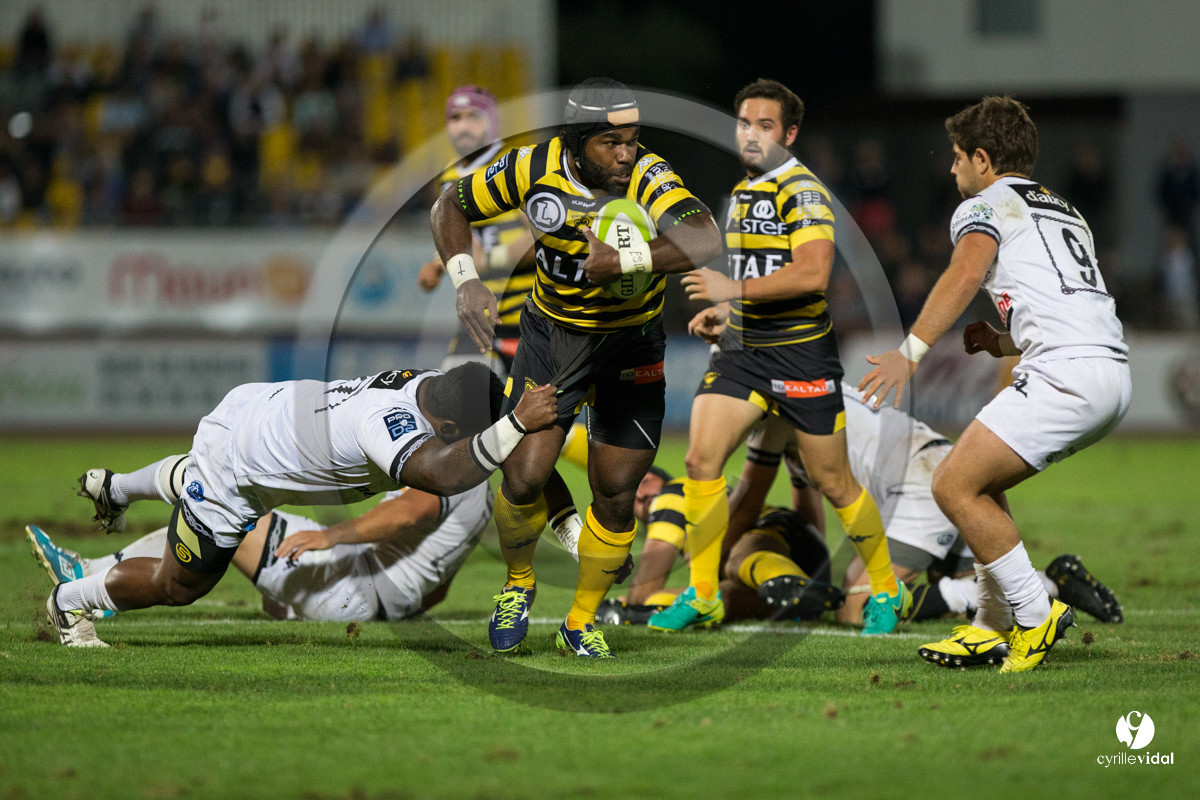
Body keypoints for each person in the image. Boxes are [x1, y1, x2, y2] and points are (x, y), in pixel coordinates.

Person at [430, 77, 723, 657]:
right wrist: (465, 282)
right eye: (610, 143)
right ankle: (517, 585)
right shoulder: (528, 167)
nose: (626, 154)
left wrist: (625, 260)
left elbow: (706, 237)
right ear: (577, 139)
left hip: (631, 348)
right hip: (552, 342)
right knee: (523, 476)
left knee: (615, 492)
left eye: (632, 139)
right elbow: (450, 205)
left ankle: (580, 621)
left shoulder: (649, 176)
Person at [859, 96, 1131, 673]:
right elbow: (1068, 300)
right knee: (977, 474)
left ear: (983, 159)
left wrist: (910, 354)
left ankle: (1035, 615)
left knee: (952, 484)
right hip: (1106, 368)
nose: (952, 168)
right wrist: (1004, 343)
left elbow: (964, 273)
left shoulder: (985, 203)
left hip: (1066, 372)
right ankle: (990, 621)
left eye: (958, 157)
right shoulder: (1062, 207)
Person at [49, 363, 557, 647]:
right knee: (179, 585)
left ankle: (115, 489)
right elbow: (441, 478)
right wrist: (512, 428)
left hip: (253, 409)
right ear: (447, 429)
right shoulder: (391, 428)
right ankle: (70, 603)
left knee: (196, 473)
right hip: (238, 475)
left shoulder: (426, 384)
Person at [659, 78, 906, 636]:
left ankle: (886, 593)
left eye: (765, 125)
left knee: (833, 481)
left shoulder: (803, 189)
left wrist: (730, 293)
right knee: (701, 461)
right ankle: (702, 595)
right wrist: (726, 317)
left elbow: (814, 274)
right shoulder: (743, 194)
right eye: (744, 122)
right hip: (744, 355)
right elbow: (753, 277)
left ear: (789, 134)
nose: (751, 134)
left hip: (801, 357)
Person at [29, 479, 491, 623]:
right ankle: (98, 571)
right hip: (368, 596)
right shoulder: (487, 493)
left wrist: (329, 539)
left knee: (218, 511)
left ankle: (88, 574)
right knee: (225, 514)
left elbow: (409, 512)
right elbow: (440, 585)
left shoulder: (455, 468)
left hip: (348, 581)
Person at [418, 85, 536, 378]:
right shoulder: (448, 176)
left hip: (528, 313)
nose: (463, 126)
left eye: (474, 116)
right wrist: (437, 263)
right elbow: (463, 238)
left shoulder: (518, 164)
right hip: (479, 313)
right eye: (455, 118)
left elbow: (543, 238)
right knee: (461, 406)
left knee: (537, 412)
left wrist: (491, 260)